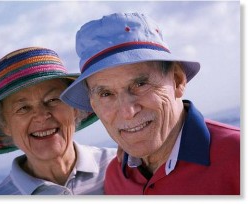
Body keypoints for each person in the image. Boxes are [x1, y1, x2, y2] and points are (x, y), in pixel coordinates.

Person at [60, 12, 240, 195]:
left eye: (140, 84)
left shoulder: (239, 157)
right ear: (94, 105)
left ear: (177, 80)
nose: (128, 111)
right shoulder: (115, 177)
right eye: (106, 94)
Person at [0, 47, 116, 195]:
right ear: (5, 125)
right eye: (24, 108)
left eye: (53, 99)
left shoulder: (124, 165)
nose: (41, 116)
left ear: (74, 107)